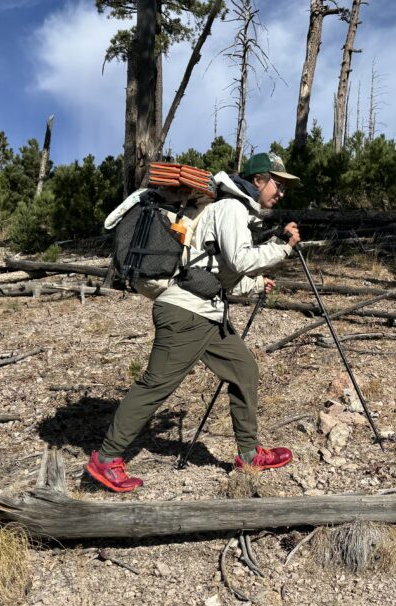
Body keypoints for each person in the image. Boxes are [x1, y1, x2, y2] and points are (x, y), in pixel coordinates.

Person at [85, 152, 302, 493]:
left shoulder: (231, 210)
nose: (281, 192)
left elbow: (217, 273)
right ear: (258, 180)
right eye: (278, 184)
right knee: (156, 384)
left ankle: (248, 453)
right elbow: (242, 259)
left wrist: (257, 284)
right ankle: (106, 459)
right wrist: (283, 248)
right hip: (187, 314)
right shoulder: (231, 208)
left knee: (244, 369)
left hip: (207, 313)